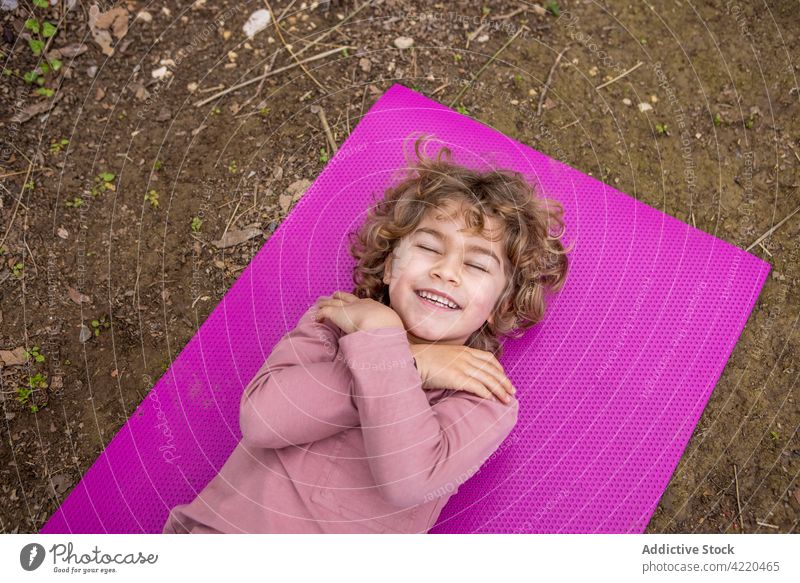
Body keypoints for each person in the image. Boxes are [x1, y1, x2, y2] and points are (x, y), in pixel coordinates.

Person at [162, 135, 569, 533]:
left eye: (478, 266)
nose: (447, 271)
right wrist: (408, 360)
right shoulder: (333, 321)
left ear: (501, 306)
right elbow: (264, 421)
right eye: (429, 247)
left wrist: (391, 357)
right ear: (390, 266)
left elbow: (407, 481)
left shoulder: (485, 395)